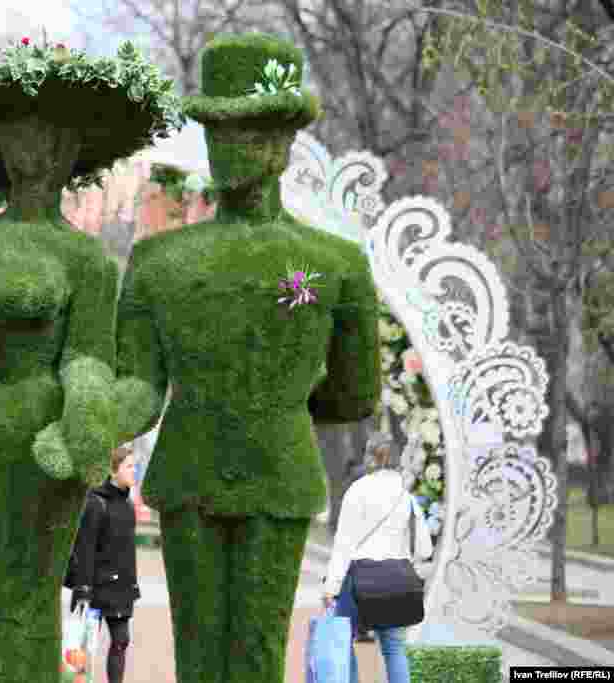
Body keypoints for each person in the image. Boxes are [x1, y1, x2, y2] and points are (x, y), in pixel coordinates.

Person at [0, 40, 182, 683]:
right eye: (18, 134)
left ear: (71, 152)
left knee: (21, 598)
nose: (32, 149)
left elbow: (87, 360)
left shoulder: (86, 260)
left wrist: (84, 423)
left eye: (48, 136)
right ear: (1, 144)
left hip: (37, 448)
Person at [112, 33, 381, 683]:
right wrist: (87, 415)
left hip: (271, 478)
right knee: (208, 653)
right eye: (219, 130)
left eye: (249, 130)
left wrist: (284, 405)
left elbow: (357, 393)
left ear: (284, 142)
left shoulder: (335, 264)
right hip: (197, 478)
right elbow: (137, 391)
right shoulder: (156, 262)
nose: (231, 146)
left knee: (246, 652)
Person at [323, 433, 434, 683]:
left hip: (359, 580)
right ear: (395, 458)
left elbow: (343, 544)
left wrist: (331, 586)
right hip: (397, 580)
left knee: (343, 642)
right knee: (394, 649)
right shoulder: (405, 495)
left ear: (368, 457)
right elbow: (425, 549)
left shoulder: (357, 490)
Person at [67, 446, 142, 683]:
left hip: (121, 590)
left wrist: (132, 585)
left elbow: (126, 552)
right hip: (96, 590)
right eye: (129, 466)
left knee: (121, 641)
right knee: (84, 648)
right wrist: (83, 589)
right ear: (113, 470)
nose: (134, 471)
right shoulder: (96, 503)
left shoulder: (128, 506)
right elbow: (85, 549)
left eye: (135, 466)